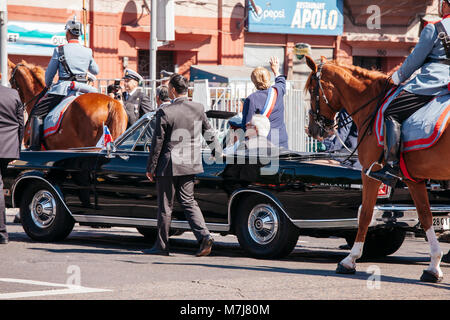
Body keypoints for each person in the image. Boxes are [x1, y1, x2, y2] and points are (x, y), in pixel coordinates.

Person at [368, 0, 450, 187]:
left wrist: (396, 78)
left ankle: (391, 168)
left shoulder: (434, 29)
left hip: (433, 83)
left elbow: (415, 60)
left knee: (392, 113)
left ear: (445, 6)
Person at [144, 74, 215, 256]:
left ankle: (161, 247)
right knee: (189, 201)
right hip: (190, 163)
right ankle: (204, 236)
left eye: (168, 89)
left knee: (166, 206)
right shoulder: (198, 108)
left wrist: (151, 168)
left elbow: (157, 142)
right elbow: (209, 134)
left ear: (173, 90)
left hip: (169, 164)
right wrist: (218, 154)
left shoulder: (166, 112)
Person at [29, 16, 99, 151]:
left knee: (37, 112)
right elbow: (96, 71)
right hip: (84, 89)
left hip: (63, 90)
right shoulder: (87, 51)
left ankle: (35, 147)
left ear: (67, 33)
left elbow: (49, 75)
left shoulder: (59, 50)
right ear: (79, 35)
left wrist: (48, 84)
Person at [242, 56, 289, 149]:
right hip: (281, 141)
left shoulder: (251, 99)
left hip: (263, 145)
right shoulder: (278, 91)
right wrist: (276, 70)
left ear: (254, 81)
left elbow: (247, 126)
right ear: (268, 78)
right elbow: (281, 81)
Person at [0, 84, 24, 244]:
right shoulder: (13, 93)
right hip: (8, 147)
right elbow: (21, 123)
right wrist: (17, 148)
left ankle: (1, 232)